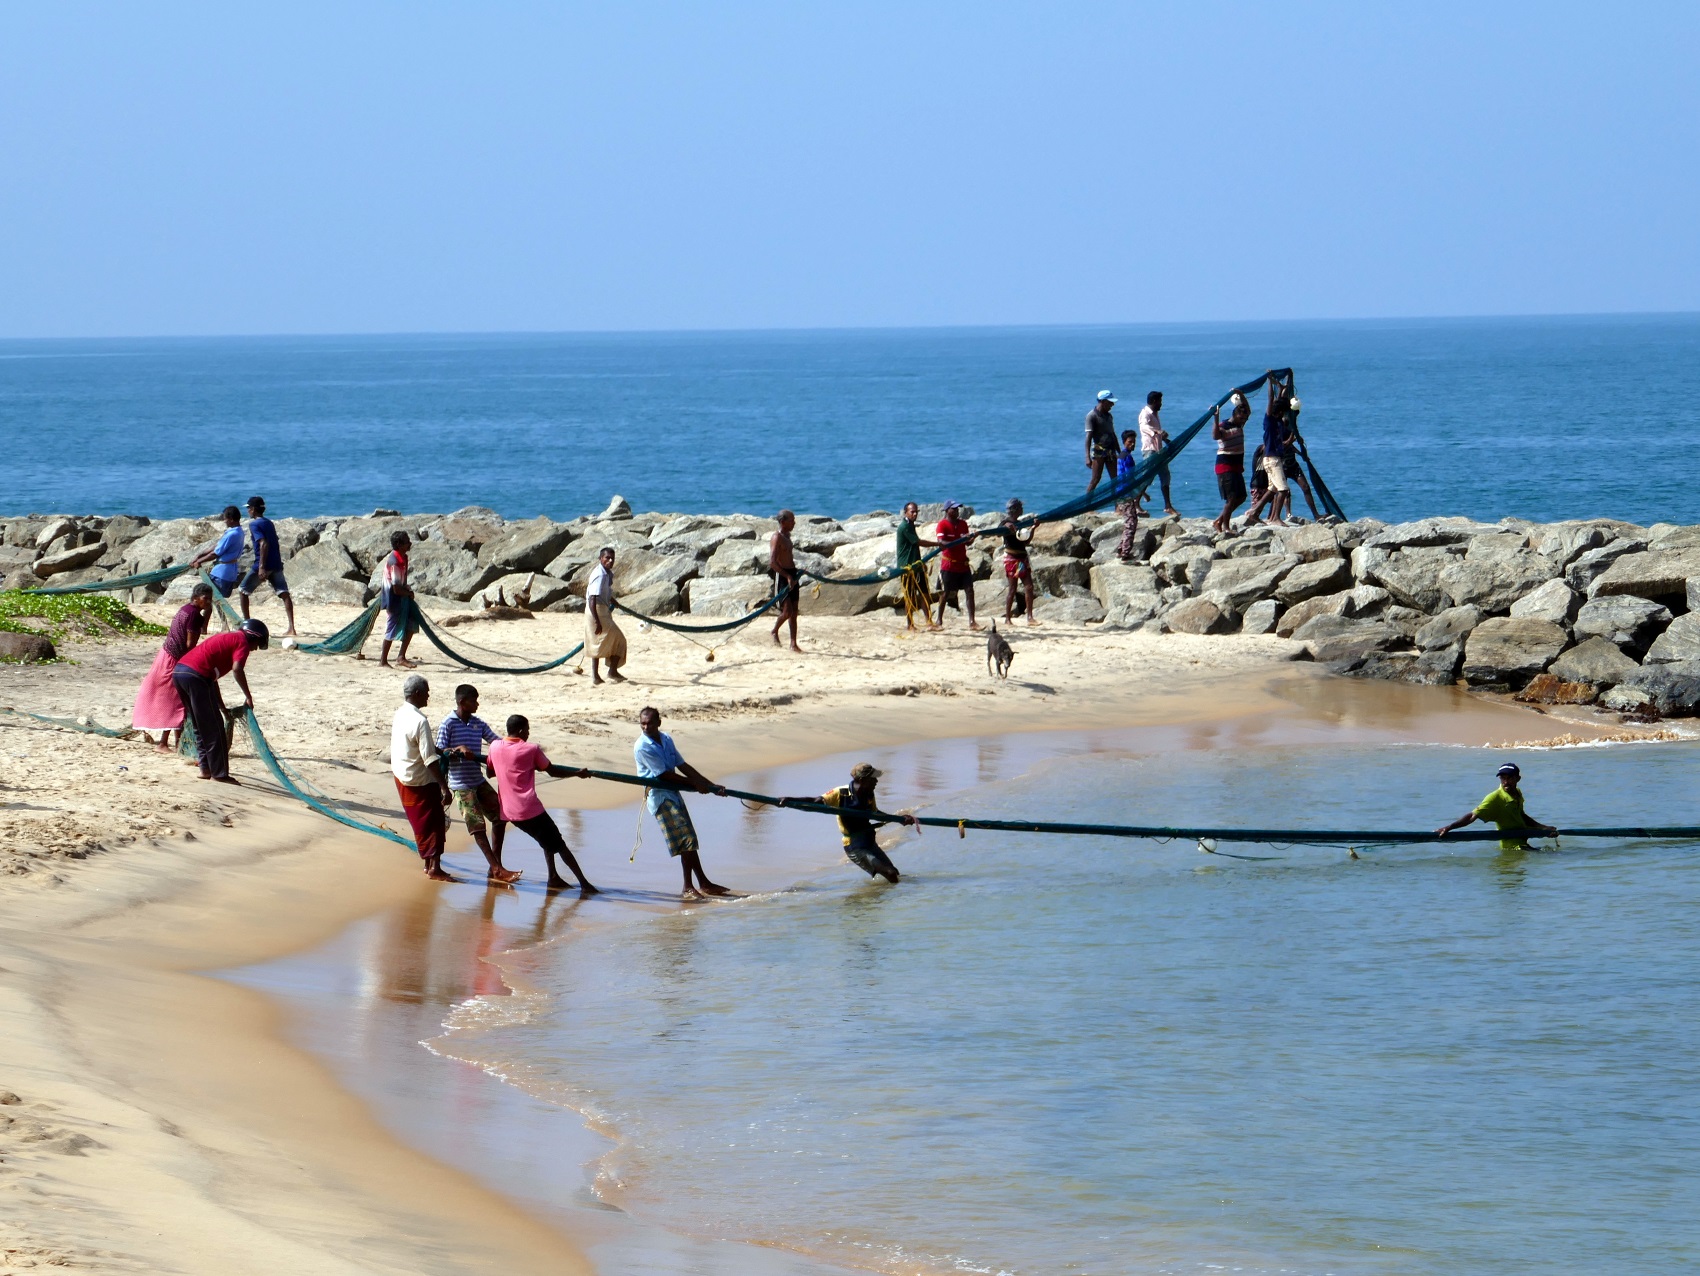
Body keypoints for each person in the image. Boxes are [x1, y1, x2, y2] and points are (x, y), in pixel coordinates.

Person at [488, 715, 598, 893]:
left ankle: (553, 877)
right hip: (528, 809)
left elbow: (490, 772)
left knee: (547, 840)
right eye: (528, 730)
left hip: (508, 811)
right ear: (521, 731)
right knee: (559, 844)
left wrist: (511, 766)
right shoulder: (531, 749)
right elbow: (552, 771)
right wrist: (577, 773)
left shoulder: (494, 746)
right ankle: (585, 884)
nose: (529, 733)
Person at [634, 706, 732, 899]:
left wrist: (709, 785)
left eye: (649, 723)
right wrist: (695, 784)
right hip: (660, 797)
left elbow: (682, 765)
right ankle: (688, 886)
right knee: (685, 840)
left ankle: (703, 883)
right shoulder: (642, 746)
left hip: (673, 794)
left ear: (659, 723)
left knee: (689, 840)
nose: (645, 727)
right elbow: (663, 775)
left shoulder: (666, 739)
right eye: (642, 724)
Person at [434, 683, 521, 884]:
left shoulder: (477, 723)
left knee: (500, 816)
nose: (477, 704)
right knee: (477, 826)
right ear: (462, 702)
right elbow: (439, 751)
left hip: (478, 779)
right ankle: (497, 869)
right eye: (474, 701)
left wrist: (519, 748)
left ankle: (495, 866)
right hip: (461, 784)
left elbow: (497, 742)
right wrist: (457, 749)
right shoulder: (448, 723)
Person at [781, 762, 920, 884]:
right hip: (855, 846)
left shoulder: (869, 794)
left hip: (869, 842)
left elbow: (876, 814)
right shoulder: (840, 793)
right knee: (890, 873)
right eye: (873, 778)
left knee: (895, 873)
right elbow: (815, 801)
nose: (876, 781)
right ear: (862, 780)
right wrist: (789, 800)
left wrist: (900, 819)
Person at [172, 618, 268, 784]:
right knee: (215, 729)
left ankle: (205, 769)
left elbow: (212, 683)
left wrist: (222, 708)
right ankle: (219, 774)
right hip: (196, 676)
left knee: (199, 725)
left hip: (180, 673)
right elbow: (237, 669)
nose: (254, 649)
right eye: (257, 645)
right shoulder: (242, 641)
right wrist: (248, 695)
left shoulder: (227, 637)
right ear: (254, 637)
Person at [132, 581, 213, 752]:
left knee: (175, 699)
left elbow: (202, 629)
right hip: (174, 660)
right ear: (196, 598)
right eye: (205, 598)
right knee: (175, 700)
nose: (208, 602)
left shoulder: (186, 609)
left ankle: (177, 742)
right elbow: (190, 644)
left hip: (165, 655)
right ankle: (163, 743)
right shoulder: (194, 615)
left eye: (210, 599)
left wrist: (207, 612)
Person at [391, 675, 457, 882]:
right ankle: (434, 868)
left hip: (401, 775)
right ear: (418, 694)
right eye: (426, 693)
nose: (428, 696)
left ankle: (428, 864)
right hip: (420, 779)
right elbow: (429, 759)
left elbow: (417, 743)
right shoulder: (420, 721)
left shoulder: (400, 713)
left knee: (421, 824)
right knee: (434, 823)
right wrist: (444, 788)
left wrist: (442, 750)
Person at [1435, 763, 1557, 850]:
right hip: (1512, 848)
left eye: (1509, 778)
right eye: (1503, 778)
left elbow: (1521, 816)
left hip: (1522, 841)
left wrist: (1543, 829)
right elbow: (1472, 816)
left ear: (1518, 779)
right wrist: (1449, 827)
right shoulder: (1495, 798)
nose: (1506, 782)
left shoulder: (1517, 793)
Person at [239, 496, 298, 639]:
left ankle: (247, 624)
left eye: (249, 508)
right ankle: (292, 628)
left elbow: (263, 544)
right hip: (276, 563)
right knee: (284, 593)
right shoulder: (269, 522)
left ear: (253, 509)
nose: (248, 511)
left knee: (243, 591)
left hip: (263, 564)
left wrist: (261, 567)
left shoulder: (254, 524)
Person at [584, 547, 628, 685]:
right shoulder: (600, 575)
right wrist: (597, 621)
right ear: (600, 558)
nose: (610, 561)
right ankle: (605, 673)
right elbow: (592, 598)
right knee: (618, 640)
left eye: (612, 558)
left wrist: (612, 600)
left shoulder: (607, 573)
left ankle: (604, 674)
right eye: (607, 558)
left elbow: (604, 592)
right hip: (596, 611)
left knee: (599, 641)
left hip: (602, 609)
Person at [895, 502, 941, 631]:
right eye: (912, 512)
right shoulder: (904, 526)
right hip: (907, 568)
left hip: (916, 566)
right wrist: (938, 544)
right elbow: (918, 542)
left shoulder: (910, 525)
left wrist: (921, 563)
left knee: (925, 594)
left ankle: (929, 622)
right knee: (910, 597)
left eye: (916, 512)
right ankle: (910, 625)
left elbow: (913, 547)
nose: (915, 514)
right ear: (905, 512)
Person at [934, 501, 979, 629]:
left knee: (969, 591)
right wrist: (958, 541)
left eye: (957, 509)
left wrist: (972, 538)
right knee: (945, 593)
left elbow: (967, 543)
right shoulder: (942, 524)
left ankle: (972, 621)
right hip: (949, 565)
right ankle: (939, 620)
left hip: (963, 564)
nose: (956, 511)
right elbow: (941, 542)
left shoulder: (963, 524)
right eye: (953, 509)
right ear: (947, 510)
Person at [1278, 396, 1322, 521]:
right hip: (1281, 464)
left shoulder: (1292, 423)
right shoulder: (1281, 424)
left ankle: (1316, 515)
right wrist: (1294, 437)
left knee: (1306, 487)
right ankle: (1287, 514)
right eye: (1295, 413)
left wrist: (1301, 453)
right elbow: (1284, 444)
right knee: (1284, 490)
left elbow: (1290, 445)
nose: (1296, 415)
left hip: (1292, 463)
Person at [1211, 393, 1250, 533]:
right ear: (1235, 415)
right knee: (1231, 498)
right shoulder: (1224, 426)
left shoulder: (1240, 424)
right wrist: (1216, 418)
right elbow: (1215, 436)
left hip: (1236, 466)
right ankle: (1225, 527)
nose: (1243, 420)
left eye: (1244, 418)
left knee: (1241, 497)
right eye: (1241, 417)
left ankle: (1219, 520)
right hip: (1225, 466)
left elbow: (1247, 410)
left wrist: (1240, 393)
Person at [1257, 375, 1293, 526]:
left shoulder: (1278, 420)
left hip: (1273, 458)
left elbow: (1278, 401)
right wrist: (1269, 381)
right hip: (1272, 459)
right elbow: (1271, 400)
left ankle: (1253, 513)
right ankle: (1276, 518)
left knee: (1272, 489)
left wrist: (1281, 389)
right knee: (1283, 490)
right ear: (1279, 412)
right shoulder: (1270, 420)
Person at [378, 530, 418, 669]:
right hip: (393, 599)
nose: (410, 543)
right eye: (407, 542)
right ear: (399, 544)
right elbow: (396, 588)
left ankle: (401, 657)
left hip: (402, 597)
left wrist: (407, 591)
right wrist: (408, 593)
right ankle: (383, 661)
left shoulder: (403, 557)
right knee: (391, 628)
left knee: (412, 623)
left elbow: (402, 582)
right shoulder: (394, 562)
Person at [998, 498, 1038, 625]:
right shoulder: (1005, 522)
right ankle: (1007, 618)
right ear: (1015, 509)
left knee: (1029, 587)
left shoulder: (1020, 524)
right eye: (1020, 507)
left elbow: (1025, 542)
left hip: (1022, 559)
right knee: (1012, 589)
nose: (1022, 509)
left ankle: (1030, 617)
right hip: (1011, 559)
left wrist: (1033, 528)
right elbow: (999, 531)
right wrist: (1007, 526)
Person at [190, 506, 245, 598]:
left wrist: (199, 561)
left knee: (214, 599)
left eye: (225, 519)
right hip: (230, 573)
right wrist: (199, 555)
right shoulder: (239, 531)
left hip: (221, 574)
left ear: (231, 519)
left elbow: (215, 553)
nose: (224, 521)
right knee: (218, 600)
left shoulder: (232, 534)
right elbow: (217, 545)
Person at [1138, 391, 1178, 516]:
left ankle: (1168, 506)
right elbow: (1144, 427)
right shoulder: (1145, 413)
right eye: (1160, 401)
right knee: (1147, 477)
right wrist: (1157, 432)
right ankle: (1135, 503)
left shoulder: (1155, 414)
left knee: (1165, 476)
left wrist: (1165, 439)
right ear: (1154, 401)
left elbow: (1157, 433)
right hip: (1150, 450)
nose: (1161, 404)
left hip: (1158, 450)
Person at [770, 509, 802, 652]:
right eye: (791, 521)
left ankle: (793, 643)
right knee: (787, 611)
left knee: (794, 612)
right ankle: (774, 630)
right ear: (783, 522)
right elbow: (772, 562)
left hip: (792, 573)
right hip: (782, 576)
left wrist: (795, 573)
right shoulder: (776, 537)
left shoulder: (787, 536)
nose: (794, 523)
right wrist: (787, 576)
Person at [1084, 391, 1120, 496]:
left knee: (1115, 478)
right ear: (1103, 402)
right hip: (1098, 451)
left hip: (1110, 450)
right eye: (1110, 402)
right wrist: (1087, 457)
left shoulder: (1109, 416)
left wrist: (1120, 452)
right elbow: (1088, 437)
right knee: (1096, 478)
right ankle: (1088, 503)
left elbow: (1113, 435)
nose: (1112, 405)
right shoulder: (1092, 416)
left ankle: (1115, 502)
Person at [1115, 429, 1143, 561]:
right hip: (1125, 493)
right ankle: (1125, 553)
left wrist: (1143, 493)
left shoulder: (1123, 455)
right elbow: (1129, 476)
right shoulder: (1126, 457)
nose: (1132, 444)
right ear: (1124, 442)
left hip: (1123, 493)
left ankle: (1121, 549)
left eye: (1134, 442)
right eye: (1130, 442)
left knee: (1130, 521)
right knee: (1131, 523)